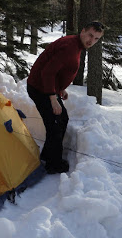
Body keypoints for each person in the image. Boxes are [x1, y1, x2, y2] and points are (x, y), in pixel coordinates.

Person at [27, 21, 104, 174]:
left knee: (62, 119)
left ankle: (48, 156)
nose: (91, 40)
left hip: (47, 87)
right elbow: (48, 72)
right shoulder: (70, 47)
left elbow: (59, 70)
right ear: (83, 31)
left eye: (96, 38)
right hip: (40, 88)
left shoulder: (76, 45)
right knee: (55, 124)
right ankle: (53, 164)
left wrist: (60, 89)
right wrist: (52, 97)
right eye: (90, 35)